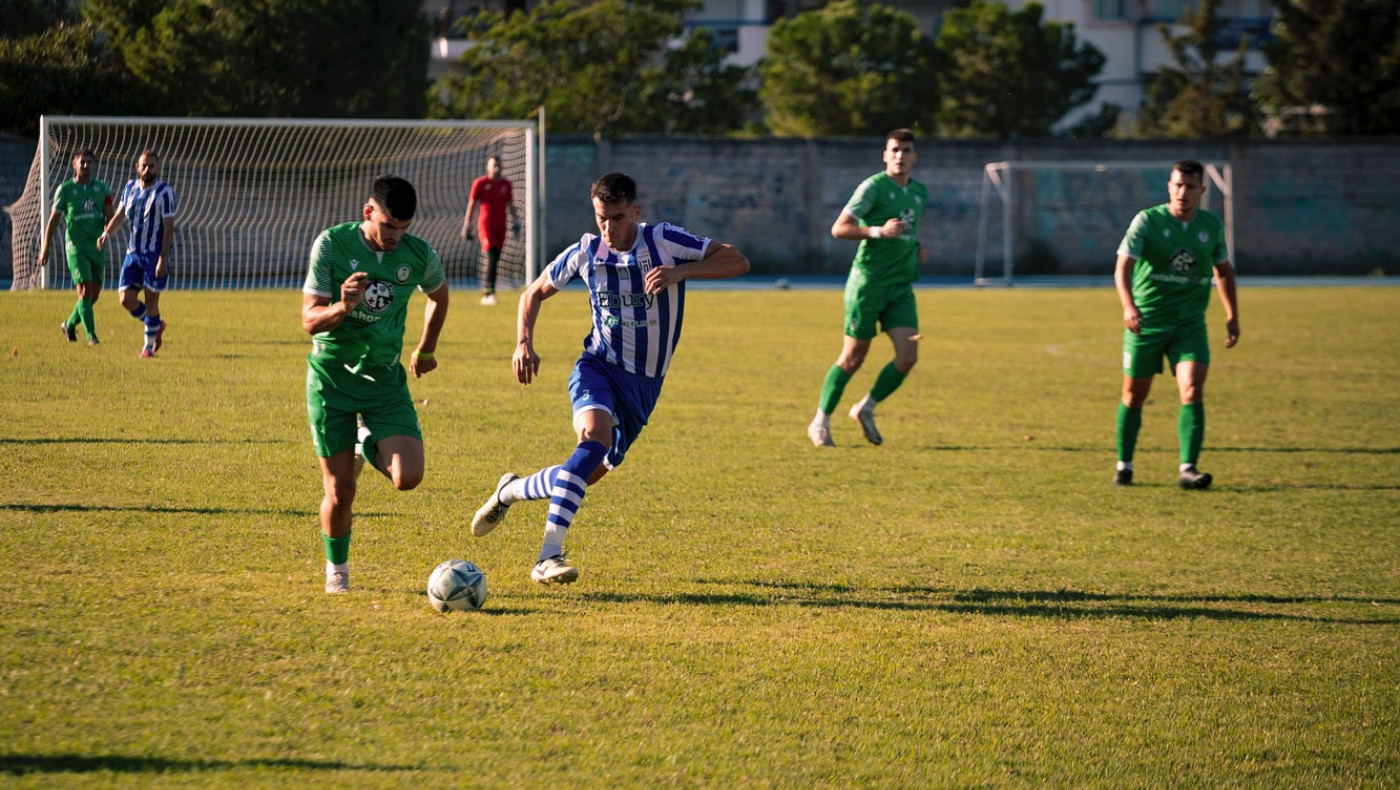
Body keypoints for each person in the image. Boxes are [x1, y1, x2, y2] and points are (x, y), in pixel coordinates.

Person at [469, 172, 749, 585]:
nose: (608, 227)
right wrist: (523, 342)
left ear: (635, 212)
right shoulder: (586, 251)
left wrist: (681, 273)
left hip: (645, 386)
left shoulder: (664, 241)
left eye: (617, 218)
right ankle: (548, 556)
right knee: (593, 441)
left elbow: (737, 260)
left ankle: (508, 491)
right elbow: (533, 293)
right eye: (601, 218)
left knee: (586, 472)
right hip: (598, 367)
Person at [301, 175, 450, 594]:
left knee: (408, 477)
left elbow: (439, 296)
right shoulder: (331, 244)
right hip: (331, 378)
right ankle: (337, 571)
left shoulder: (419, 255)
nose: (395, 237)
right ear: (368, 212)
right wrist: (342, 307)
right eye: (388, 227)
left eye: (403, 229)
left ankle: (365, 439)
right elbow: (309, 320)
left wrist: (426, 349)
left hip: (384, 380)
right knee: (340, 490)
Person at [1113, 159, 1239, 489]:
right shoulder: (1148, 221)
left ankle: (1188, 469)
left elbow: (1224, 271)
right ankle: (1124, 466)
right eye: (1178, 185)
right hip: (1147, 323)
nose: (1183, 192)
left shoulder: (1211, 226)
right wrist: (1129, 306)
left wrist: (1232, 315)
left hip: (1189, 326)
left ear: (1202, 190)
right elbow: (1123, 267)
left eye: (1190, 186)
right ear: (1169, 187)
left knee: (1193, 389)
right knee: (1134, 396)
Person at [808, 128, 929, 447]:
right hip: (869, 284)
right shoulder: (872, 188)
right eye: (895, 150)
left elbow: (908, 231)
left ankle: (866, 408)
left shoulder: (919, 192)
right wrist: (878, 232)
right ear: (885, 155)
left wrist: (917, 249)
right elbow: (839, 229)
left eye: (906, 150)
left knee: (908, 355)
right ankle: (820, 422)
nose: (900, 156)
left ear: (915, 156)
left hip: (901, 287)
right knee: (853, 357)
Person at [97, 150, 176, 358]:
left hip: (154, 255)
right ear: (137, 167)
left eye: (152, 166)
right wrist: (106, 234)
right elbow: (119, 215)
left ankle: (147, 348)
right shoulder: (129, 188)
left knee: (151, 301)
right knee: (125, 299)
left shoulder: (165, 192)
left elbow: (168, 228)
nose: (148, 169)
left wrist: (162, 259)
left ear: (157, 168)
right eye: (144, 165)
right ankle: (156, 325)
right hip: (133, 254)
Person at [40, 149, 113, 345]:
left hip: (96, 247)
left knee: (92, 295)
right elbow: (53, 221)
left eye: (89, 162)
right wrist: (45, 247)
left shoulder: (102, 188)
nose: (86, 165)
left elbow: (110, 215)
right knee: (85, 289)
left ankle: (69, 324)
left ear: (93, 165)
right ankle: (91, 336)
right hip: (76, 247)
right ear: (74, 165)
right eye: (82, 162)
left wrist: (108, 230)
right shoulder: (65, 190)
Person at [460, 155, 520, 306]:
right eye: (494, 166)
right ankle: (488, 293)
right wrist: (467, 225)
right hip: (486, 226)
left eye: (499, 165)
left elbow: (510, 204)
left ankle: (490, 291)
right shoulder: (480, 183)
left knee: (496, 257)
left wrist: (516, 220)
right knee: (492, 255)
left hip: (501, 226)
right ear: (488, 167)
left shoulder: (506, 184)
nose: (497, 168)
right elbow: (472, 204)